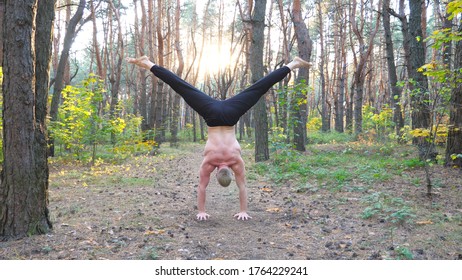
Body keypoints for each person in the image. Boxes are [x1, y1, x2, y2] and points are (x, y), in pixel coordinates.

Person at [127, 55, 311, 221]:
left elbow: (242, 187)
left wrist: (243, 210)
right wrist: (201, 211)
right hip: (212, 115)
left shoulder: (236, 161)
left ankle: (293, 64)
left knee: (260, 88)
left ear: (230, 172)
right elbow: (202, 188)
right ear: (216, 173)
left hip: (232, 114)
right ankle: (148, 64)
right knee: (181, 87)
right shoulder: (210, 161)